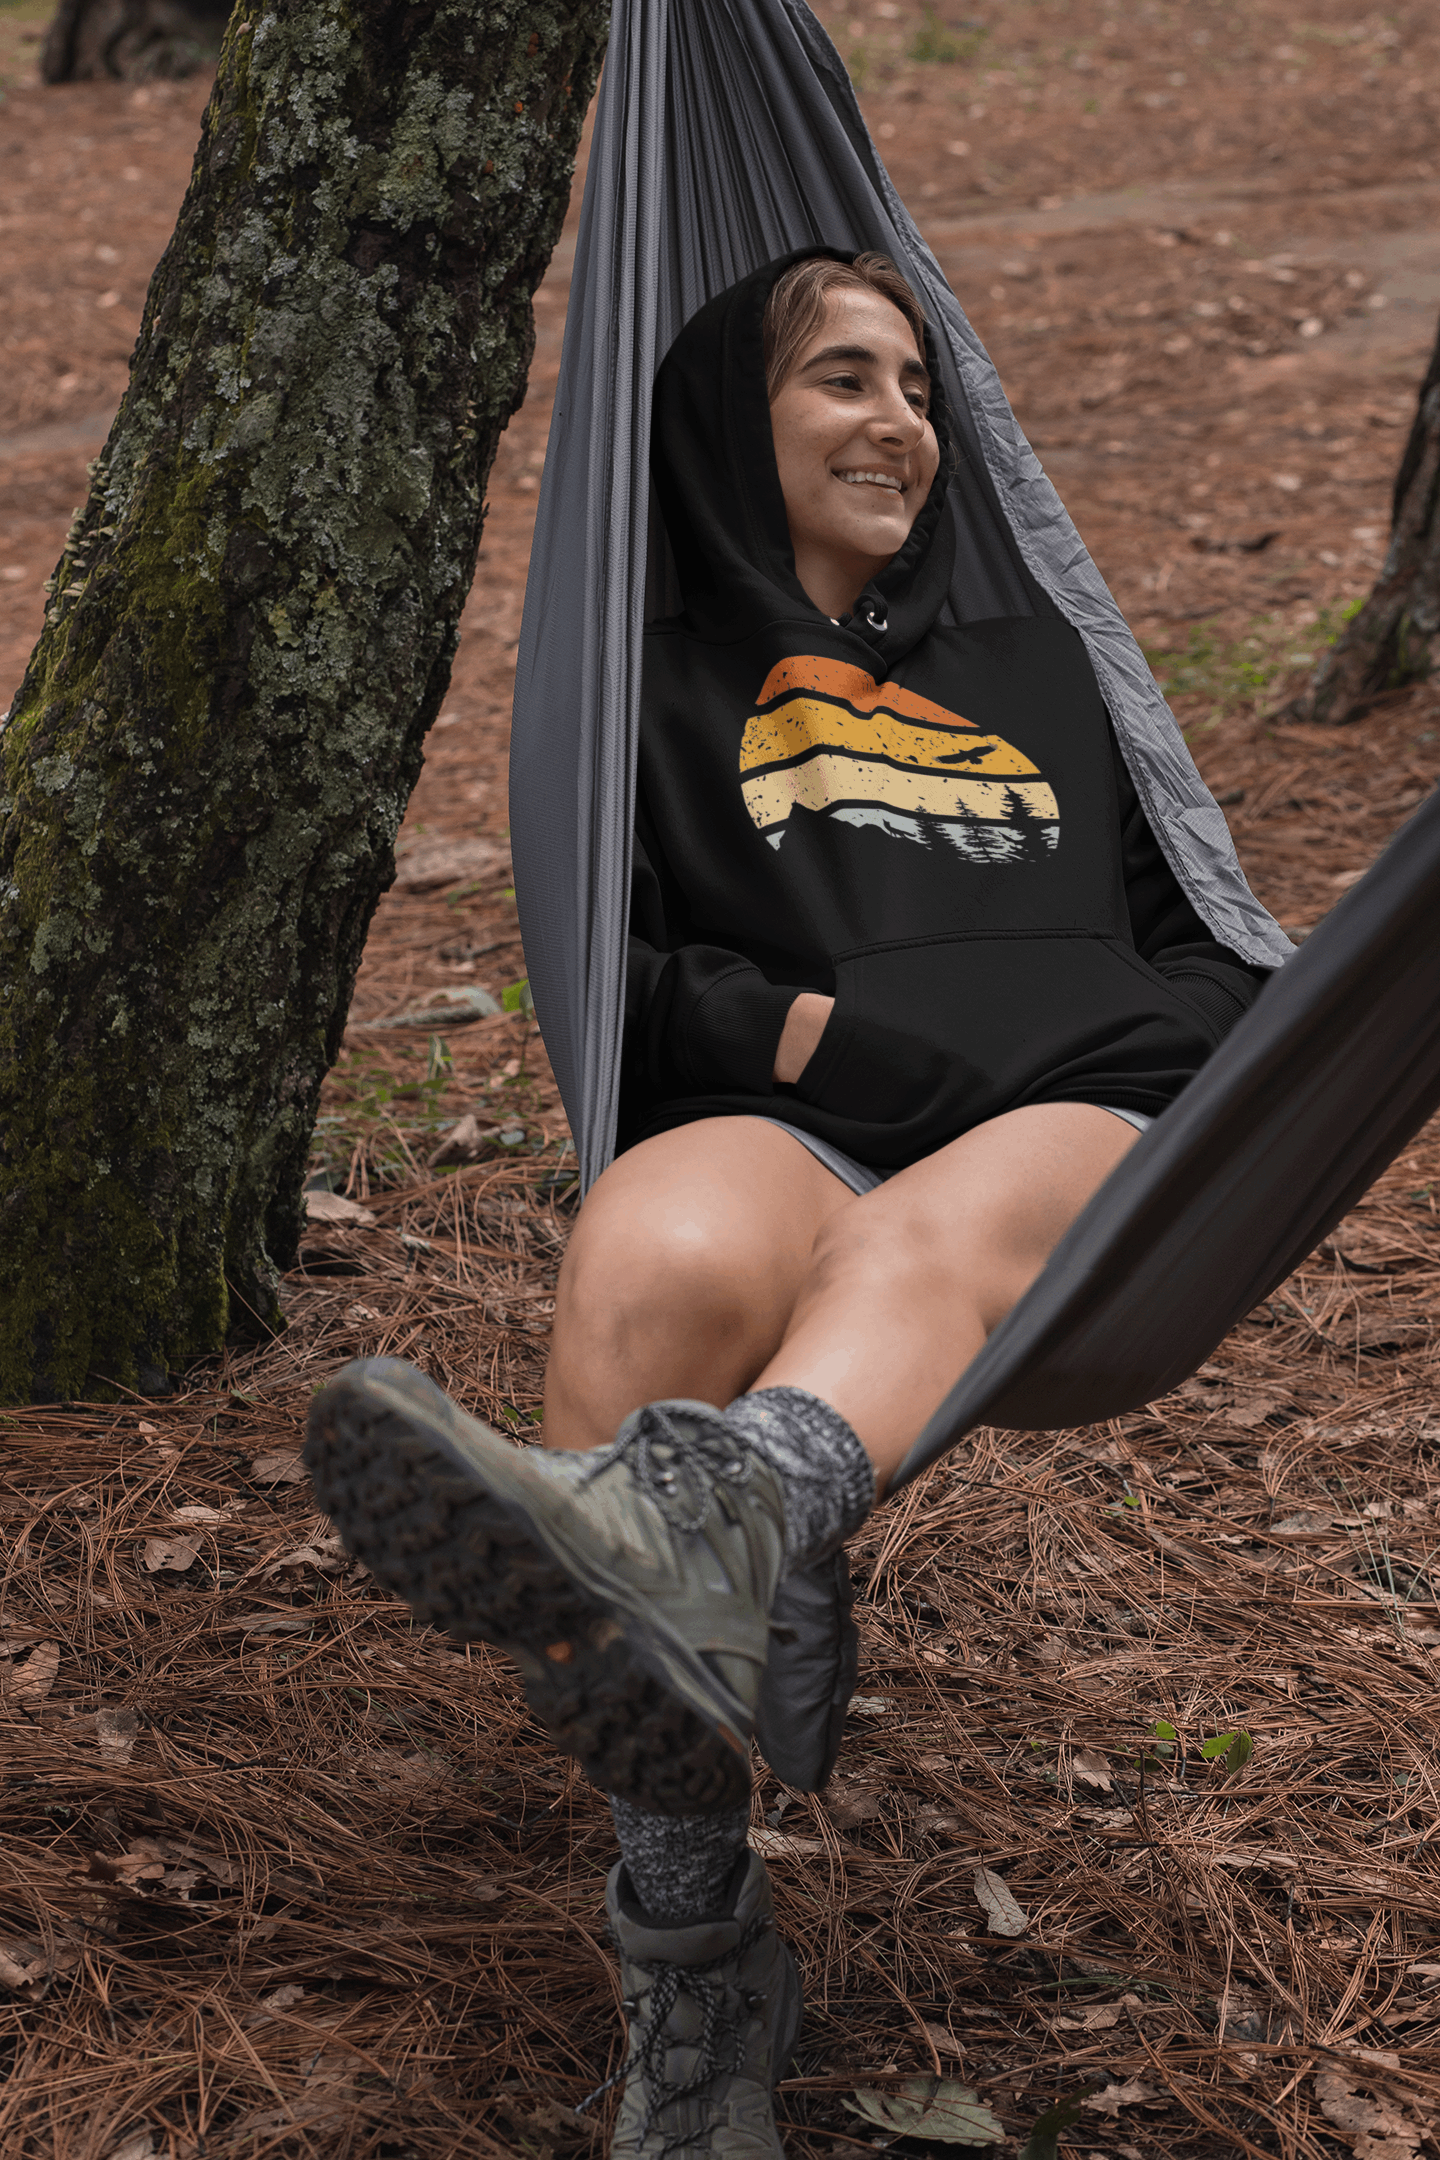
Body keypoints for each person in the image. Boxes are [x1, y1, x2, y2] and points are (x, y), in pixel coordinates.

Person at [305, 249, 1269, 2158]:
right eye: (843, 378)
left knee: (920, 1235)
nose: (900, 421)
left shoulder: (1035, 668)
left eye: (916, 386)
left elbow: (1214, 964)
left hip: (1076, 1126)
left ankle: (719, 1521)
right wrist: (838, 1041)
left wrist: (984, 1048)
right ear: (730, 429)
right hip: (786, 1118)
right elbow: (640, 975)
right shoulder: (638, 692)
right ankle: (699, 1944)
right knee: (646, 1275)